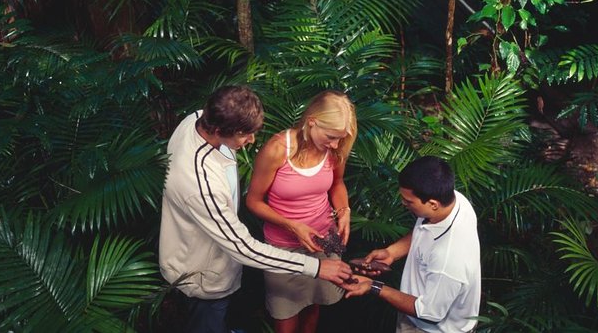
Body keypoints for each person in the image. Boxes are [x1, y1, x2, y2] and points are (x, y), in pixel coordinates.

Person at [158, 85, 352, 333]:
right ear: (218, 130)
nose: (251, 141)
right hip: (202, 275)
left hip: (221, 255)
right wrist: (315, 267)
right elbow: (244, 248)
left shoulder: (196, 119)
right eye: (244, 135)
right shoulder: (200, 184)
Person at [246, 90, 357, 333]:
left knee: (313, 304)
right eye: (330, 137)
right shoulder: (277, 149)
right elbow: (253, 202)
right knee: (285, 313)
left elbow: (337, 184)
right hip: (283, 247)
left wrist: (344, 210)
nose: (336, 144)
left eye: (340, 139)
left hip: (324, 240)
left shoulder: (335, 149)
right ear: (312, 122)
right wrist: (292, 225)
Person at [341, 156, 481, 333]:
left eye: (408, 201)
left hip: (432, 328)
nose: (403, 203)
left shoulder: (449, 259)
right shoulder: (454, 201)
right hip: (416, 311)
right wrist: (392, 253)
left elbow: (428, 313)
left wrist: (373, 286)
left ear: (432, 204)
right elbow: (425, 229)